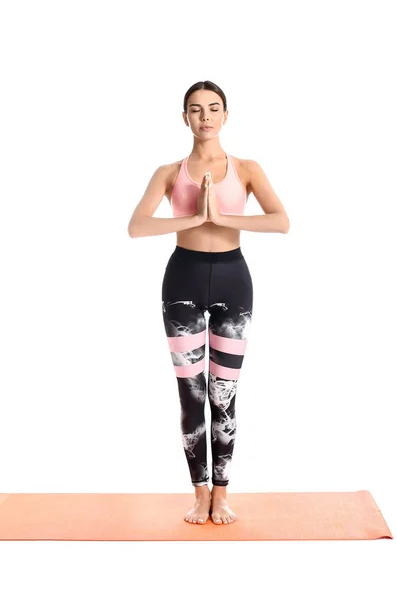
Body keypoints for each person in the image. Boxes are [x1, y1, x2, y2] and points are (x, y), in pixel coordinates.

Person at [127, 80, 290, 525]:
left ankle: (222, 493)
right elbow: (136, 227)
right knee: (190, 392)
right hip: (183, 279)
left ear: (225, 115)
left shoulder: (247, 168)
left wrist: (221, 217)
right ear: (185, 118)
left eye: (213, 108)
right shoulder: (168, 172)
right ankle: (199, 494)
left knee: (224, 393)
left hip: (234, 283)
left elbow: (281, 221)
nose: (205, 117)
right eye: (196, 109)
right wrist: (195, 218)